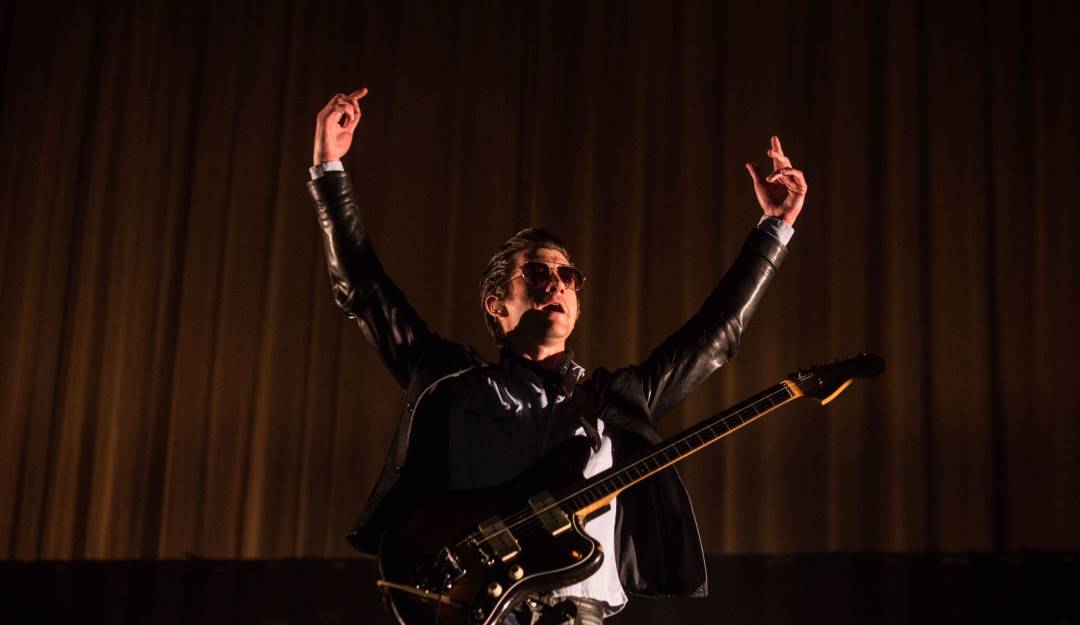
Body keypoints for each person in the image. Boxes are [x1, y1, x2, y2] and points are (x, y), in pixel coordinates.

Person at [307, 87, 807, 625]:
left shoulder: (613, 401)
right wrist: (329, 170)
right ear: (496, 305)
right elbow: (365, 292)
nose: (557, 285)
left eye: (567, 276)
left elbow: (716, 335)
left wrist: (774, 228)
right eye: (538, 274)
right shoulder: (452, 383)